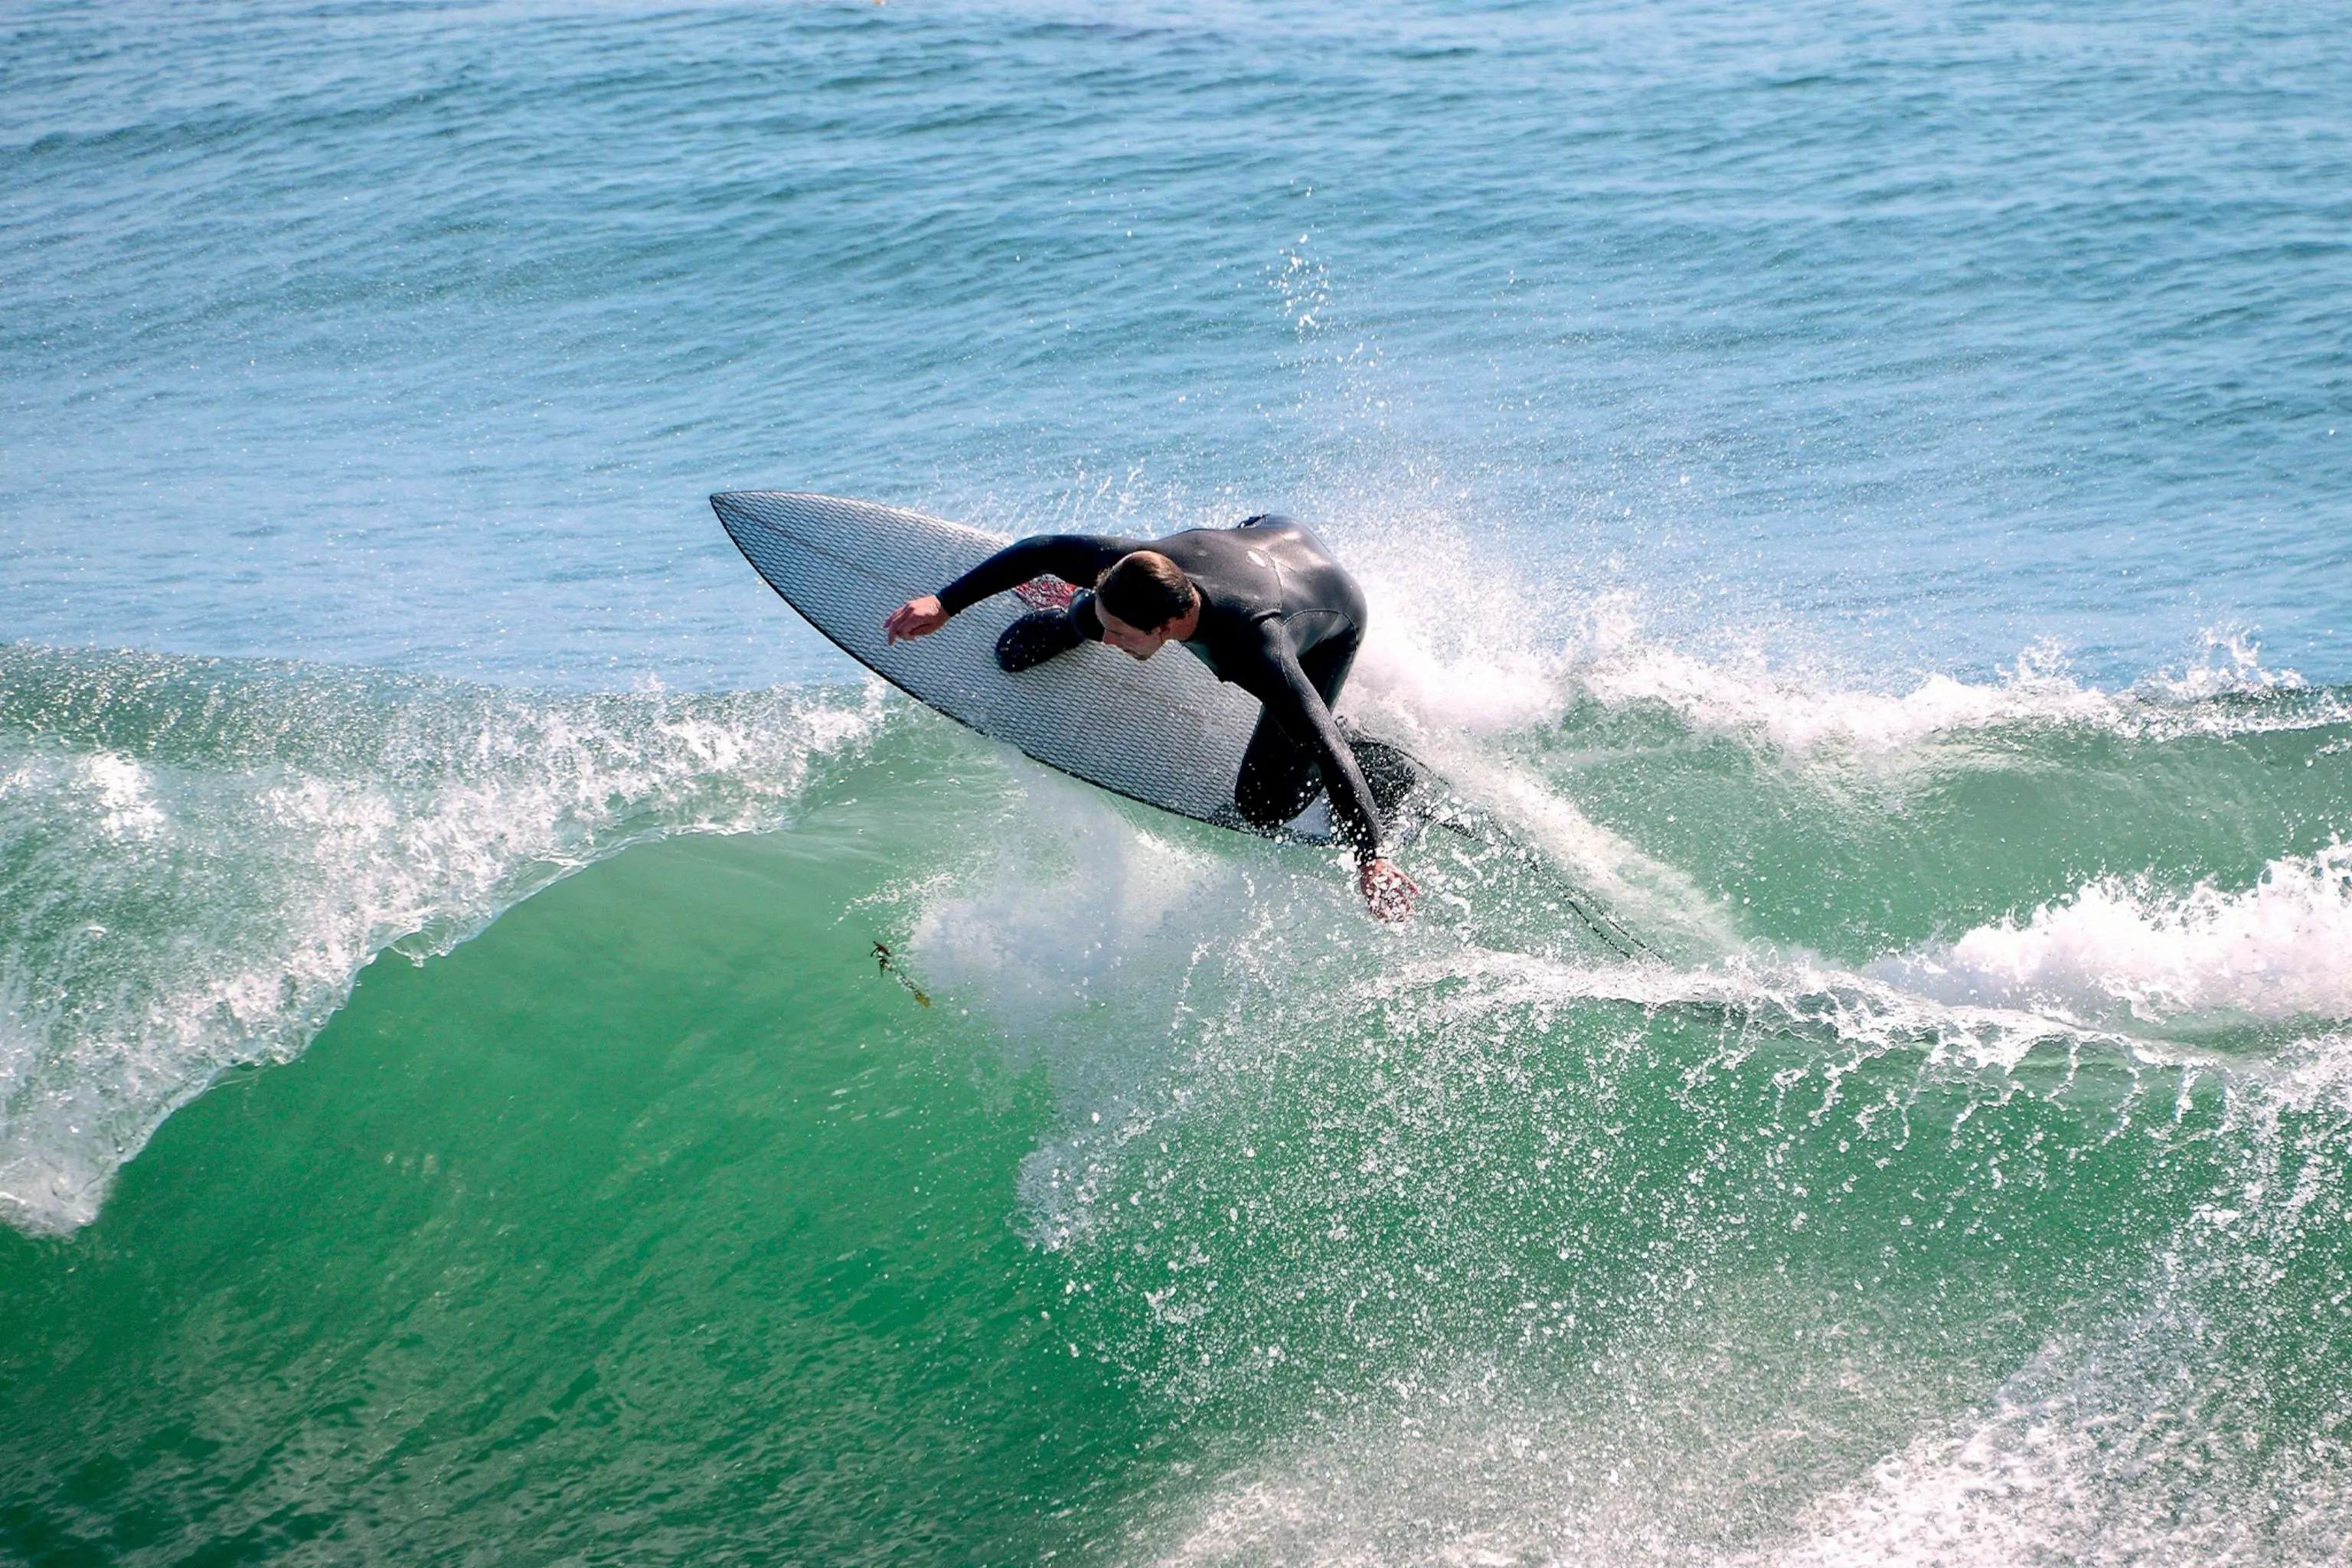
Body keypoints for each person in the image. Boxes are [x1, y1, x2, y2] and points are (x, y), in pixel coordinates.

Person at [883, 514, 1419, 921]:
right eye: (1107, 628)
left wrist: (1373, 857)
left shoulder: (1255, 648)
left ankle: (1382, 765)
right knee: (1097, 611)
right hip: (1270, 534)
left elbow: (1329, 751)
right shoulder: (1145, 567)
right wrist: (945, 603)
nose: (1110, 641)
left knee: (1264, 804)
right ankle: (1066, 622)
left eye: (1121, 635)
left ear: (1171, 624)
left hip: (1331, 608)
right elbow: (1041, 550)